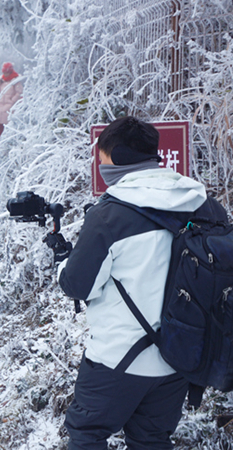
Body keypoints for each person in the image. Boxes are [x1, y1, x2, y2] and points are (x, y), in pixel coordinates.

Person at [55, 117, 228, 449]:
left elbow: (77, 285)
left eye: (102, 158)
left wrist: (63, 261)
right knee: (151, 440)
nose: (101, 165)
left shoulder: (109, 216)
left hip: (117, 360)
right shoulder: (205, 206)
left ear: (117, 157)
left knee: (87, 434)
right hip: (181, 358)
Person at [0, 62, 23, 143]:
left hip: (9, 108)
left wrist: (12, 101)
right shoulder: (1, 81)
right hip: (0, 107)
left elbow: (19, 92)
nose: (4, 74)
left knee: (7, 127)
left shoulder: (15, 81)